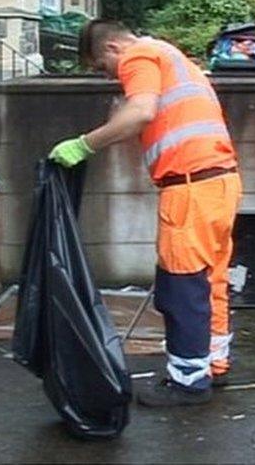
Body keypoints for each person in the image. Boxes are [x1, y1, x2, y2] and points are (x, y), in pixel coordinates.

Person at [49, 20, 242, 407]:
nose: (112, 77)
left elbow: (140, 112)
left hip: (188, 190)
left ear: (110, 49)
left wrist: (85, 144)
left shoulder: (136, 55)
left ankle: (187, 381)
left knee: (182, 287)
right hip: (220, 183)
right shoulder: (173, 56)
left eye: (103, 68)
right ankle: (212, 364)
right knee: (211, 280)